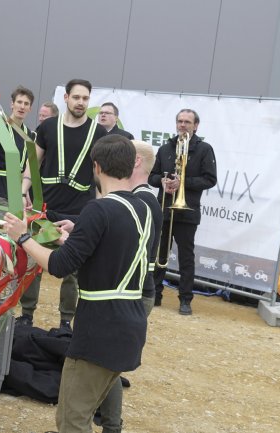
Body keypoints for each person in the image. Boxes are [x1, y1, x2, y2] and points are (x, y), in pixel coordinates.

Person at [4, 134, 151, 433]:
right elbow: (111, 252)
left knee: (72, 420)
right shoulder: (143, 207)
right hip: (129, 325)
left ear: (96, 167)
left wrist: (23, 237)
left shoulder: (98, 210)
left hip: (99, 330)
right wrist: (71, 239)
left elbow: (59, 266)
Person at [19, 79, 107, 330]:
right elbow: (32, 165)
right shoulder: (47, 127)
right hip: (44, 208)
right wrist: (24, 190)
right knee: (33, 263)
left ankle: (66, 320)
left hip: (79, 212)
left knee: (73, 271)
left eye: (85, 99)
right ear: (66, 98)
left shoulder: (98, 133)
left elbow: (100, 176)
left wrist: (100, 208)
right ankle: (26, 314)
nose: (81, 102)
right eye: (77, 97)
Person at [96, 140, 163, 433]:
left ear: (135, 162)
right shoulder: (142, 198)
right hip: (135, 292)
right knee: (108, 366)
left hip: (134, 293)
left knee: (108, 366)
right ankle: (110, 422)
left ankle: (111, 424)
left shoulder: (143, 201)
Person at [148, 108, 217, 315]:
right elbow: (152, 176)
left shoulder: (204, 149)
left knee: (186, 258)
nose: (182, 125)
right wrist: (161, 181)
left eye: (187, 122)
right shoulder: (165, 148)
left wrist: (182, 182)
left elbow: (210, 179)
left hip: (187, 212)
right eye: (180, 121)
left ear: (196, 126)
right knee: (158, 253)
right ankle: (155, 294)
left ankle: (185, 299)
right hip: (164, 208)